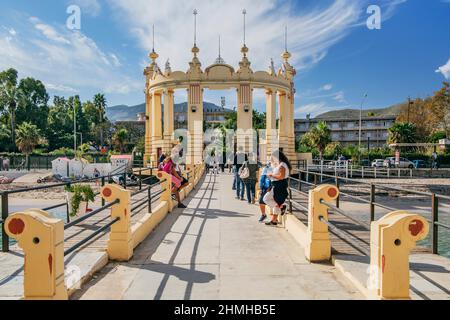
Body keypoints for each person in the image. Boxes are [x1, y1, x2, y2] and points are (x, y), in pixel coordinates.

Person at [263, 150, 291, 226]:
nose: (272, 159)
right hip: (277, 185)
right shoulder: (281, 164)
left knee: (265, 199)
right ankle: (274, 220)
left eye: (273, 157)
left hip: (279, 185)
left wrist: (271, 175)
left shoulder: (282, 165)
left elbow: (281, 177)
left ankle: (281, 206)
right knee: (277, 201)